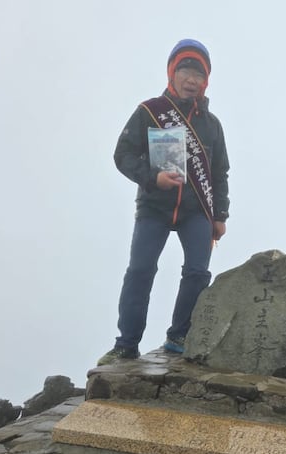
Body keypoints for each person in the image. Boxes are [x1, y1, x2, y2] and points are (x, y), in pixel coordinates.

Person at [98, 39, 230, 366]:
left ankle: (178, 336)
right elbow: (123, 155)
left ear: (206, 81)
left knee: (198, 272)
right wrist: (152, 177)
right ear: (172, 73)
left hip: (196, 209)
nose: (191, 79)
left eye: (199, 73)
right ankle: (126, 344)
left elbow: (220, 173)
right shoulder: (149, 111)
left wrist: (220, 214)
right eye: (185, 69)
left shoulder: (212, 125)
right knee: (140, 271)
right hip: (154, 207)